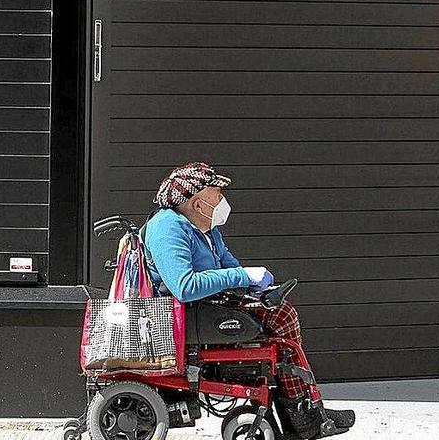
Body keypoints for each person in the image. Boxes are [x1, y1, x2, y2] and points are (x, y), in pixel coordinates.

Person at [143, 161, 355, 439]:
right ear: (196, 203)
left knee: (279, 312)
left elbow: (229, 266)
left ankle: (305, 412)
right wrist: (241, 276)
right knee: (283, 318)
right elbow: (184, 286)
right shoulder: (167, 228)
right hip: (190, 313)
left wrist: (255, 288)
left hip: (212, 305)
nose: (222, 202)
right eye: (217, 195)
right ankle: (303, 417)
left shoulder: (206, 228)